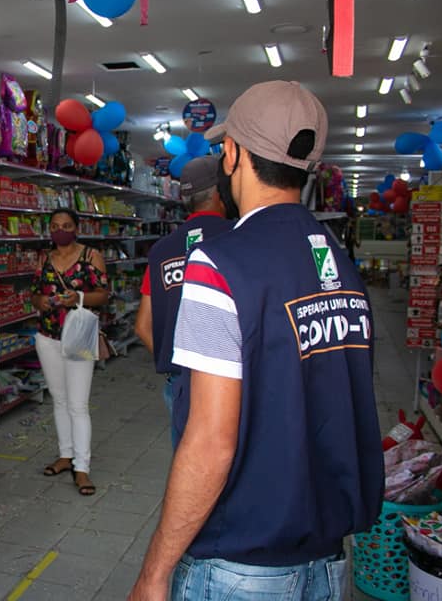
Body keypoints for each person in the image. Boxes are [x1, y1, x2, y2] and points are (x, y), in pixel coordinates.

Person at [129, 81, 383, 601]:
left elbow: (210, 441)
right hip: (327, 557)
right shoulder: (338, 261)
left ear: (233, 153)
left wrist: (154, 572)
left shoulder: (221, 265)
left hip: (242, 561)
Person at [134, 156, 233, 447]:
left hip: (179, 384)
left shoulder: (161, 250)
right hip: (230, 383)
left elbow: (142, 326)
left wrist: (176, 366)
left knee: (187, 459)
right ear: (220, 193)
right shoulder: (240, 238)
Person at [30, 208, 110, 496]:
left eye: (66, 225)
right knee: (60, 399)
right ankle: (65, 455)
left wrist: (79, 297)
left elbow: (104, 294)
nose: (60, 231)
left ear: (76, 228)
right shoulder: (44, 258)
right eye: (54, 226)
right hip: (47, 335)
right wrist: (42, 301)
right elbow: (34, 293)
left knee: (78, 404)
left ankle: (82, 467)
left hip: (78, 335)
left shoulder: (91, 256)